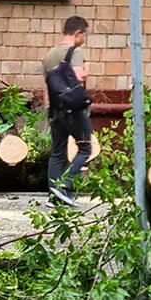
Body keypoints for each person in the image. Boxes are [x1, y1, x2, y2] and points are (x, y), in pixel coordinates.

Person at [42, 15, 92, 207]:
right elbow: (79, 78)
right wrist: (87, 69)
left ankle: (55, 197)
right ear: (78, 33)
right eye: (84, 34)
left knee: (57, 153)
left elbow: (46, 86)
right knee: (86, 148)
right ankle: (65, 185)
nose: (84, 39)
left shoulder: (49, 56)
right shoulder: (75, 52)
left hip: (55, 110)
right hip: (74, 109)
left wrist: (50, 111)